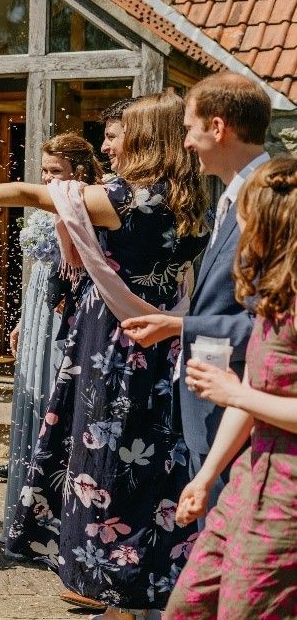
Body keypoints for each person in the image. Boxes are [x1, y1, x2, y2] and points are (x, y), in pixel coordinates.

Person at [0, 91, 209, 620]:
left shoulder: (124, 199)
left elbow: (35, 194)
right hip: (167, 344)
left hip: (114, 346)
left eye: (116, 136)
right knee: (156, 463)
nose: (107, 146)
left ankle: (114, 594)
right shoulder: (189, 199)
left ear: (146, 139)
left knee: (105, 460)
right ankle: (150, 584)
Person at [122, 73, 270, 516]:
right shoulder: (233, 195)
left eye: (189, 128)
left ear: (218, 128)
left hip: (243, 399)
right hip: (216, 399)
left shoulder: (266, 201)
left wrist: (179, 325)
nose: (185, 142)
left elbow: (269, 327)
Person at [165, 156, 297, 619]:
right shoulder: (274, 297)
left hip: (288, 497)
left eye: (244, 214)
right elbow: (252, 392)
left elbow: (244, 395)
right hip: (247, 479)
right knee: (188, 604)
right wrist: (204, 478)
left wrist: (234, 392)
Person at [0, 134, 102, 554]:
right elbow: (41, 268)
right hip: (39, 302)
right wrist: (25, 317)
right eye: (44, 171)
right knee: (29, 400)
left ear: (78, 170)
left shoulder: (89, 202)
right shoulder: (47, 200)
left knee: (53, 401)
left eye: (55, 171)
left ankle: (55, 517)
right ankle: (21, 514)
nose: (47, 177)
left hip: (69, 306)